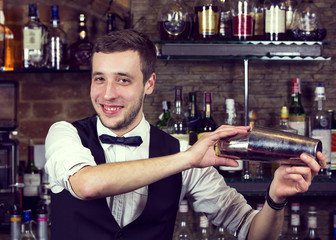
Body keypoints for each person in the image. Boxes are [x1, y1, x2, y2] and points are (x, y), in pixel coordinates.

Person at [45, 29, 326, 240]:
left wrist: (275, 199)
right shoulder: (65, 134)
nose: (107, 93)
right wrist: (186, 159)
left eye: (123, 80)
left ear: (149, 84)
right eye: (99, 78)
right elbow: (87, 185)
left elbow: (252, 232)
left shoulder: (186, 156)